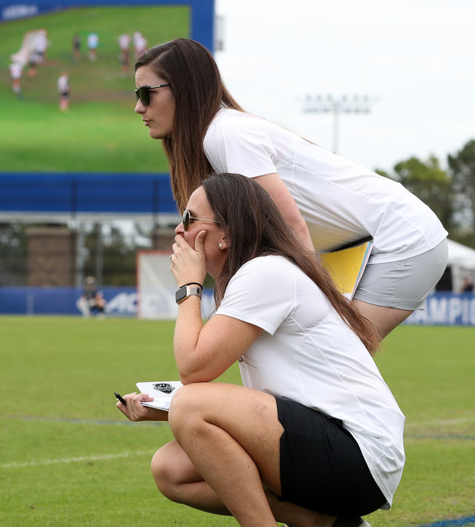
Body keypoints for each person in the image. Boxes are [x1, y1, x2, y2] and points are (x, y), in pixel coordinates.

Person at [116, 174, 405, 527]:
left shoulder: (266, 273)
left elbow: (195, 369)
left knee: (192, 402)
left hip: (357, 454)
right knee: (172, 470)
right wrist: (163, 407)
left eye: (190, 218)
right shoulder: (253, 278)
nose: (179, 229)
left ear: (227, 235)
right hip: (339, 454)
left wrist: (188, 287)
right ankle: (321, 525)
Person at [134, 38, 448, 341]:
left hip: (399, 239)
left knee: (329, 361)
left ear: (184, 91)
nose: (138, 107)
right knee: (314, 363)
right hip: (362, 245)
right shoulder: (219, 136)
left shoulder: (226, 135)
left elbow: (290, 224)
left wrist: (313, 305)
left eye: (147, 94)